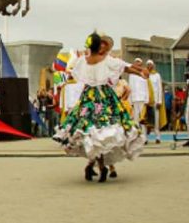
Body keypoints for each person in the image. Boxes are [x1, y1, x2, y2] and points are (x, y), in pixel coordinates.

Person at [53, 32, 147, 182]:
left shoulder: (84, 60)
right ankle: (98, 167)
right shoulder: (105, 60)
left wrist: (140, 71)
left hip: (90, 98)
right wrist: (140, 71)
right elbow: (126, 67)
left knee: (94, 132)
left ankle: (94, 166)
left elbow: (71, 73)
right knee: (99, 132)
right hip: (103, 97)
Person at [127, 58, 149, 133]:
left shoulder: (144, 73)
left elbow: (146, 87)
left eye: (138, 62)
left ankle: (144, 137)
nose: (137, 63)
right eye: (136, 62)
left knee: (142, 118)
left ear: (141, 64)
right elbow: (130, 87)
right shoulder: (131, 75)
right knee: (135, 118)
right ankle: (136, 135)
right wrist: (130, 101)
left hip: (142, 98)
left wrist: (147, 99)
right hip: (134, 99)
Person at [145, 60, 164, 143]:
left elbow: (159, 88)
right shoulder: (144, 75)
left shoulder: (157, 75)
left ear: (153, 66)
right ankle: (145, 138)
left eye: (151, 64)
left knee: (156, 120)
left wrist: (159, 101)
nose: (149, 66)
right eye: (148, 65)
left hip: (155, 101)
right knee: (145, 120)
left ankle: (157, 137)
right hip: (146, 101)